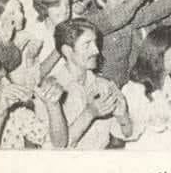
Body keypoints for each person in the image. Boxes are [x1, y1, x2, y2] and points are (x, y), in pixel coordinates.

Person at [51, 18, 133, 149]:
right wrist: (89, 113)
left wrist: (123, 116)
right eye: (87, 44)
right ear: (67, 51)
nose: (96, 50)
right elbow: (56, 148)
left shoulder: (103, 84)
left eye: (95, 43)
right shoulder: (52, 91)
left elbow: (127, 134)